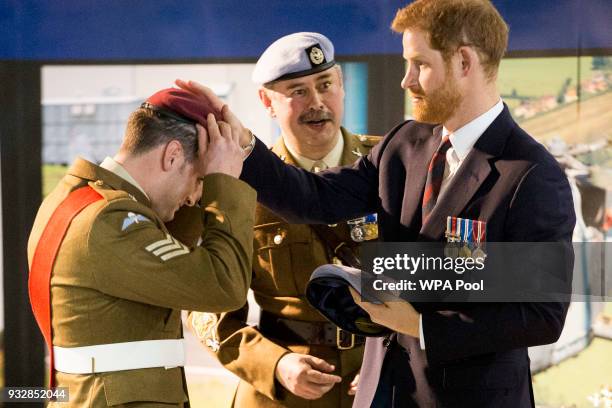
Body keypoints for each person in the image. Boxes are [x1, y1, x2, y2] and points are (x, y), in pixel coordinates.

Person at [177, 0, 576, 406]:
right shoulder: (405, 145)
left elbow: (542, 315)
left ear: (464, 62)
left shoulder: (531, 175)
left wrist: (420, 325)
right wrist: (242, 141)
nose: (406, 81)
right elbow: (314, 197)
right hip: (392, 393)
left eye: (419, 63)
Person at [27, 87, 256, 407]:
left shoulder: (78, 201)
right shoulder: (110, 221)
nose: (194, 198)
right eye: (201, 181)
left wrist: (231, 155)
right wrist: (225, 186)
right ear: (172, 154)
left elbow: (173, 255)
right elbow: (222, 286)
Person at [188, 32, 380, 407]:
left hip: (380, 381)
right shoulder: (238, 184)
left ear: (341, 85)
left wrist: (388, 355)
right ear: (267, 102)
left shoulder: (391, 165)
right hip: (284, 391)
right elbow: (208, 306)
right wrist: (276, 364)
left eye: (325, 85)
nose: (317, 103)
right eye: (298, 91)